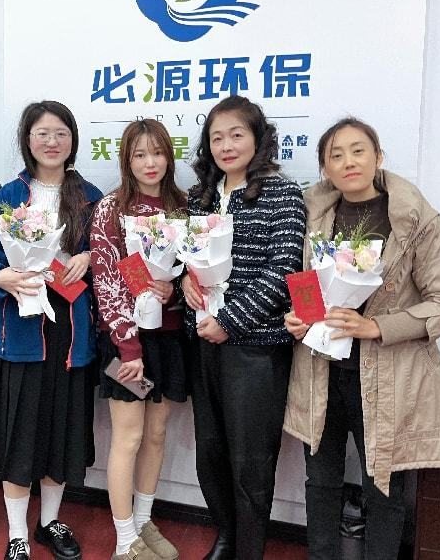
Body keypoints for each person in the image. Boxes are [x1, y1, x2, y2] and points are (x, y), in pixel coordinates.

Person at [282, 117, 440, 560]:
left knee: (383, 486)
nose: (349, 161)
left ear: (378, 156)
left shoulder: (415, 218)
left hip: (388, 377)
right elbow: (306, 281)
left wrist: (378, 327)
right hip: (322, 371)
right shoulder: (312, 214)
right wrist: (301, 318)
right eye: (336, 155)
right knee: (320, 482)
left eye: (358, 150)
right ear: (325, 167)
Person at [180, 95, 306, 560]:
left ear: (258, 138)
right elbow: (186, 260)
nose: (226, 146)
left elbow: (283, 269)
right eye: (217, 138)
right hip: (203, 341)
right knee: (211, 450)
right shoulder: (199, 197)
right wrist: (186, 284)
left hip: (255, 348)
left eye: (236, 135)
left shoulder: (282, 194)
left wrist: (230, 323)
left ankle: (249, 549)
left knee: (250, 458)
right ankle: (226, 536)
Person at [0, 100, 102, 560]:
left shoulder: (91, 197)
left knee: (61, 436)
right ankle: (17, 533)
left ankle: (50, 522)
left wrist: (88, 256)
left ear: (73, 140)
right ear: (27, 140)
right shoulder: (8, 196)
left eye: (61, 133)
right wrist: (1, 277)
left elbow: (109, 257)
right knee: (19, 437)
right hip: (21, 333)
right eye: (42, 133)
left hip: (71, 335)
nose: (52, 142)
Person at [90, 119, 188, 560]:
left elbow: (193, 273)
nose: (151, 163)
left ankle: (145, 521)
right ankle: (124, 539)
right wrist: (129, 349)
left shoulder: (182, 207)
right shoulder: (112, 208)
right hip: (125, 344)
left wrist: (174, 289)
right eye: (139, 155)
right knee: (128, 437)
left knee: (156, 433)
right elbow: (108, 280)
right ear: (126, 161)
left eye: (158, 152)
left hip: (168, 339)